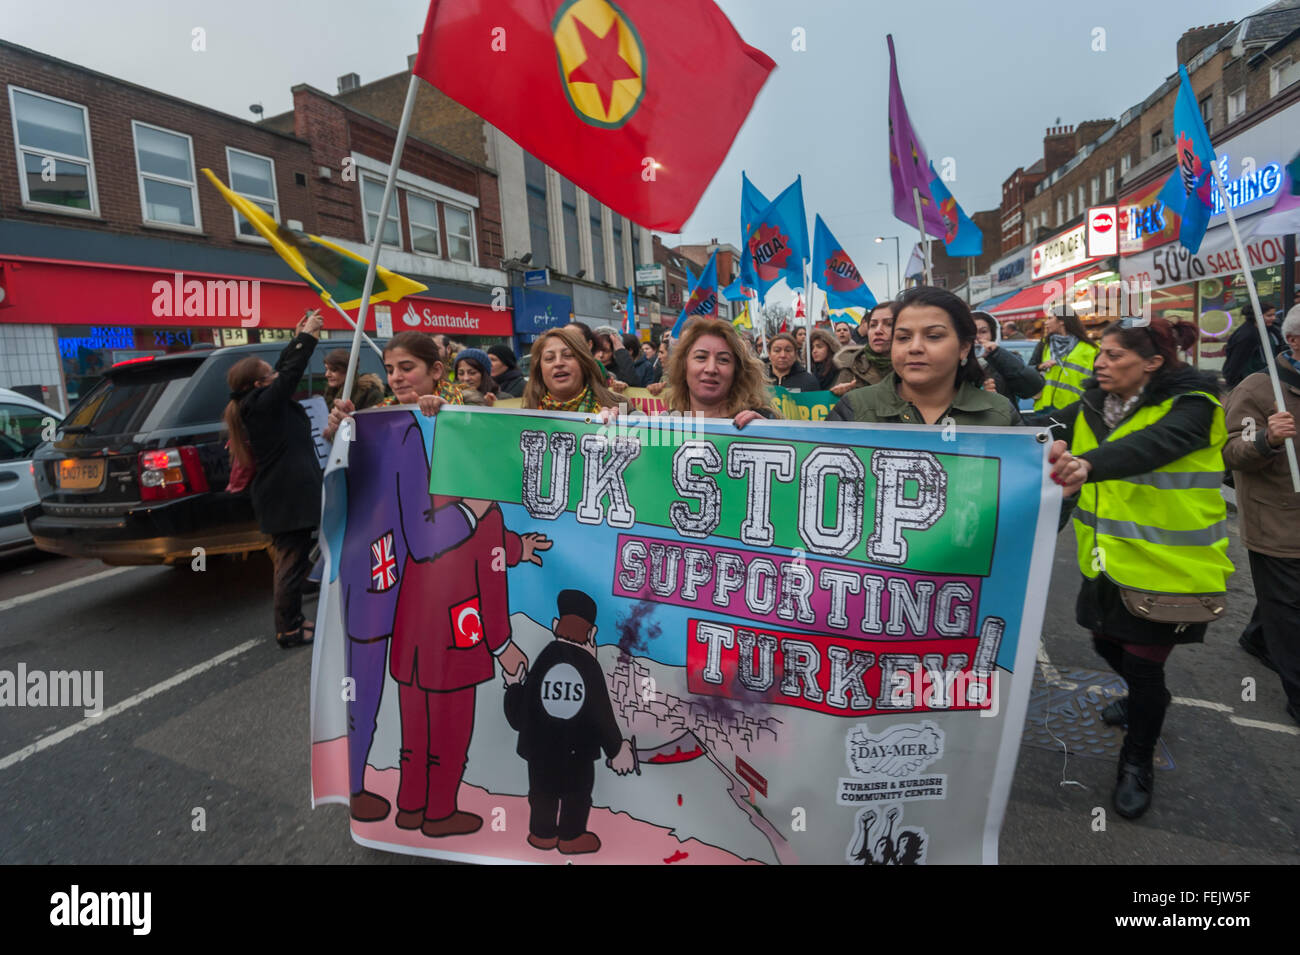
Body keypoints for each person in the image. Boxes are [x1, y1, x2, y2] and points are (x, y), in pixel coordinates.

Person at [1047, 317, 1232, 819]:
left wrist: (1087, 464)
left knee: (1146, 669)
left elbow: (1151, 446)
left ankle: (1136, 758)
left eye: (1113, 356)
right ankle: (1137, 701)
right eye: (1100, 354)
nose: (1100, 363)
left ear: (1151, 364)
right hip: (1106, 561)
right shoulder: (1090, 405)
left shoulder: (1194, 407)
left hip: (1171, 567)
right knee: (1104, 644)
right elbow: (1038, 427)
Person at [504, 589, 636, 855]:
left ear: (556, 625)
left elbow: (520, 716)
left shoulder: (545, 657)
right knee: (577, 795)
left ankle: (542, 833)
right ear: (592, 634)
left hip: (540, 751)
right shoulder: (589, 666)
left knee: (542, 792)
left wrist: (514, 687)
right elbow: (601, 714)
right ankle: (571, 836)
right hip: (578, 754)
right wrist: (616, 749)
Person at [224, 310, 325, 647]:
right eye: (268, 375)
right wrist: (308, 338)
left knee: (293, 561)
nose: (275, 376)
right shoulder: (262, 404)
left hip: (284, 494)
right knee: (290, 564)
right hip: (285, 496)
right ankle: (289, 629)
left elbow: (281, 370)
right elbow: (290, 373)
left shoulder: (256, 400)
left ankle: (293, 621)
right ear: (257, 384)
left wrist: (295, 339)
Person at [1223, 304, 1300, 726]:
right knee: (1289, 611)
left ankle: (1257, 636)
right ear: (1294, 341)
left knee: (1281, 603)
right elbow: (1233, 451)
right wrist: (1266, 439)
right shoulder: (1258, 389)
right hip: (1278, 519)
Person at [829, 287, 1014, 426]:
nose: (914, 348)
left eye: (933, 336)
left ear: (964, 347)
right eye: (903, 337)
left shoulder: (999, 414)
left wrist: (1043, 473)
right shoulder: (855, 408)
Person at [324, 331, 464, 442]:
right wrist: (346, 428)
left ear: (435, 370)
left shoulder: (466, 406)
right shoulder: (381, 411)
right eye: (390, 371)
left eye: (407, 368)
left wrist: (447, 415)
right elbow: (363, 459)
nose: (396, 377)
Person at [663, 318, 778, 429]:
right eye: (701, 357)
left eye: (723, 360)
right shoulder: (665, 425)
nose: (711, 369)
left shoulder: (760, 421)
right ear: (683, 365)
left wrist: (770, 435)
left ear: (737, 370)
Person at [523, 327, 622, 412]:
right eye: (549, 358)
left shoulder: (620, 406)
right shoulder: (524, 417)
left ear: (584, 362)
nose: (558, 363)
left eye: (568, 355)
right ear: (539, 369)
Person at [1030, 304, 1098, 415]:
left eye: (1050, 318)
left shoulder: (1090, 349)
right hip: (1045, 407)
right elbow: (1029, 369)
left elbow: (1097, 380)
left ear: (1062, 320)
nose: (1046, 323)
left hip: (1074, 408)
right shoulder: (1044, 345)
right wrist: (1039, 366)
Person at [972, 310, 1044, 405]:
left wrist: (995, 353)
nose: (977, 337)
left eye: (983, 332)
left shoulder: (1003, 359)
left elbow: (1031, 388)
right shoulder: (955, 363)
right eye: (971, 332)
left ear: (993, 335)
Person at [832, 301, 895, 396]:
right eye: (873, 325)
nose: (878, 331)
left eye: (888, 324)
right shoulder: (852, 366)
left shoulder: (911, 366)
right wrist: (840, 396)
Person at [1222, 302, 1284, 389]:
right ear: (1256, 316)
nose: (1273, 318)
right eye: (1269, 315)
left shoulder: (1272, 330)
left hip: (1267, 377)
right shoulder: (1247, 336)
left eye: (1274, 315)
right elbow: (1236, 361)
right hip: (1249, 381)